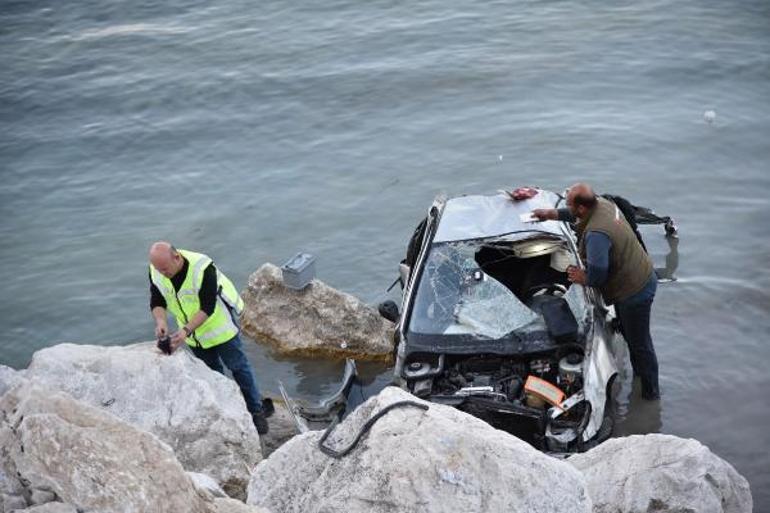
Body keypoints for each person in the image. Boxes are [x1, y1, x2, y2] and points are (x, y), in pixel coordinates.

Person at [532, 184, 660, 400]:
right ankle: (640, 376)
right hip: (639, 275)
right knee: (633, 336)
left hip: (634, 290)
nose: (567, 207)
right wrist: (550, 214)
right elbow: (574, 215)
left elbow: (599, 272)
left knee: (640, 344)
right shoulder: (602, 204)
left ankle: (650, 395)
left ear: (581, 208)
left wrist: (584, 277)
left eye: (569, 204)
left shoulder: (596, 234)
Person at [148, 241, 269, 433]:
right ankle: (229, 411)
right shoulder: (156, 270)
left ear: (176, 257)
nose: (162, 273)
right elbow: (157, 299)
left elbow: (207, 306)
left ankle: (256, 411)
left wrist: (185, 331)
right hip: (194, 336)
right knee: (212, 373)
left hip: (220, 329)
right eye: (158, 270)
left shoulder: (202, 268)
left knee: (239, 367)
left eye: (165, 269)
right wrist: (161, 321)